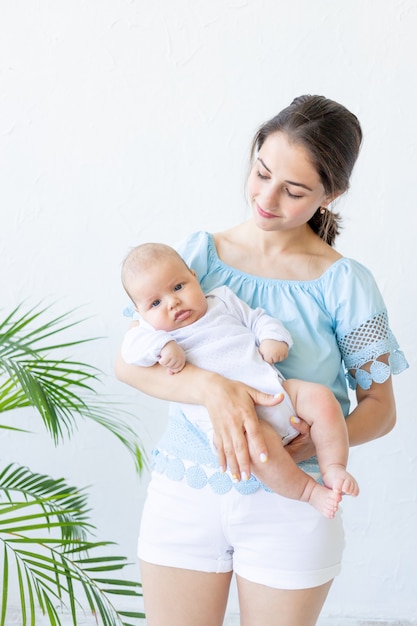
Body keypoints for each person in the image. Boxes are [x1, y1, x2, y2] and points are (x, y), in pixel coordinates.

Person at [115, 95, 408, 626]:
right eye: (261, 173)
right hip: (187, 489)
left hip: (295, 505)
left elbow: (381, 409)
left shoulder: (346, 283)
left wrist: (311, 442)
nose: (267, 198)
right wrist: (211, 390)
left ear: (331, 194)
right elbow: (129, 362)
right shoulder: (194, 259)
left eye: (294, 191)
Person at [120, 242, 359, 519]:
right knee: (258, 448)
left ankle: (334, 467)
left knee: (320, 398)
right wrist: (162, 346)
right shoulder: (149, 332)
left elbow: (258, 319)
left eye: (178, 287)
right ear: (139, 312)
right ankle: (308, 491)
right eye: (155, 303)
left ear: (194, 277)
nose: (173, 302)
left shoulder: (221, 300)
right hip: (237, 424)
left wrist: (272, 338)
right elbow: (130, 352)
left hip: (278, 393)